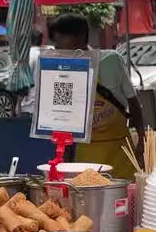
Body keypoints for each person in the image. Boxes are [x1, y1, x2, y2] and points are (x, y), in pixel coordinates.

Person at [45, 14, 145, 179]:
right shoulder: (63, 71)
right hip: (86, 154)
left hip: (119, 151)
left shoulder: (112, 60)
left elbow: (133, 103)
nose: (57, 49)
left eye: (60, 41)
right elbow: (65, 121)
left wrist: (142, 139)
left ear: (80, 38)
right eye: (55, 43)